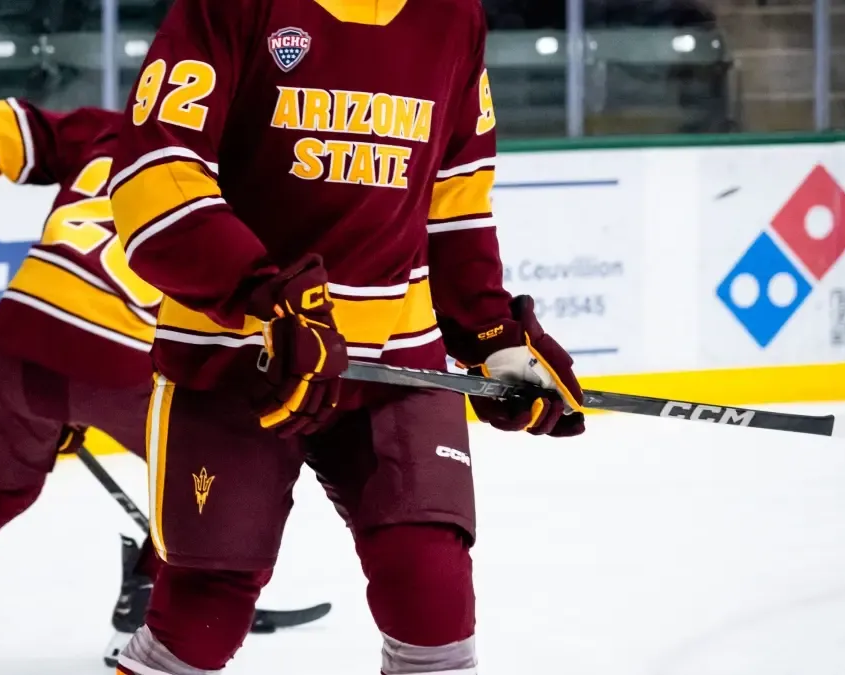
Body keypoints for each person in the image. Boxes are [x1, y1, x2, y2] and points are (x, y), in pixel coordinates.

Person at [107, 0, 587, 673]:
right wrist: (267, 298)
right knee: (201, 614)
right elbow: (152, 177)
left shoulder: (454, 16)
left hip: (397, 360)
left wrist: (493, 336)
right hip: (241, 360)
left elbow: (454, 200)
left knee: (433, 599)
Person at [0, 99, 322, 668]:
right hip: (122, 356)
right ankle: (146, 603)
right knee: (205, 473)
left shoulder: (108, 129)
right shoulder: (246, 174)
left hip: (16, 341)